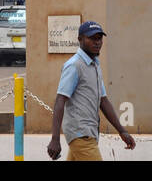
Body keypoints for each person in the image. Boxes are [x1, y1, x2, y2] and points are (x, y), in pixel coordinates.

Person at [47, 21, 136, 160]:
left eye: (99, 38)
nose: (97, 42)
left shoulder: (94, 65)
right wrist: (55, 139)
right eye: (92, 38)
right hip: (80, 135)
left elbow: (103, 101)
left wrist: (122, 131)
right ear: (80, 39)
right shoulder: (74, 66)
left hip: (89, 133)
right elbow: (60, 100)